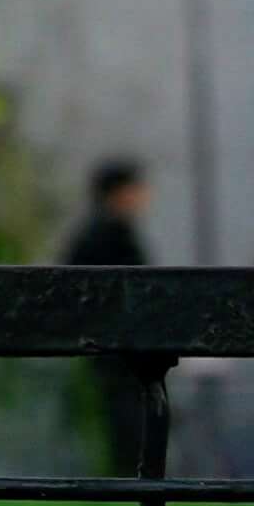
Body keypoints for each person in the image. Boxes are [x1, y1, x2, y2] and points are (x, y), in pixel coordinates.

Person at [65, 156, 168, 481]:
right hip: (120, 344)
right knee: (127, 412)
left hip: (110, 342)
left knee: (123, 411)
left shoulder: (98, 232)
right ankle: (131, 476)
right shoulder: (111, 234)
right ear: (120, 192)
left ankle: (126, 475)